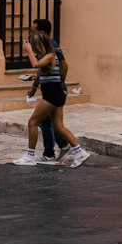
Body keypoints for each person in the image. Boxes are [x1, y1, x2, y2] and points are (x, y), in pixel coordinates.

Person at [13, 20, 89, 168]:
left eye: (35, 45)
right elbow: (44, 72)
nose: (33, 48)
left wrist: (28, 51)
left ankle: (29, 156)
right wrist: (35, 82)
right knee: (59, 126)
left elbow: (36, 64)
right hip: (56, 94)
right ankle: (80, 152)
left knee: (33, 122)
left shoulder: (49, 56)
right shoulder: (48, 57)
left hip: (52, 96)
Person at [23, 19, 73, 164]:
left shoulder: (51, 45)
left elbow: (64, 66)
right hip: (51, 89)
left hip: (55, 90)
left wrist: (59, 83)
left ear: (41, 33)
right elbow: (42, 70)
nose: (31, 33)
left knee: (41, 121)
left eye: (33, 31)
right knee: (51, 122)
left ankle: (53, 151)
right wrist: (34, 87)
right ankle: (64, 147)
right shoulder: (42, 46)